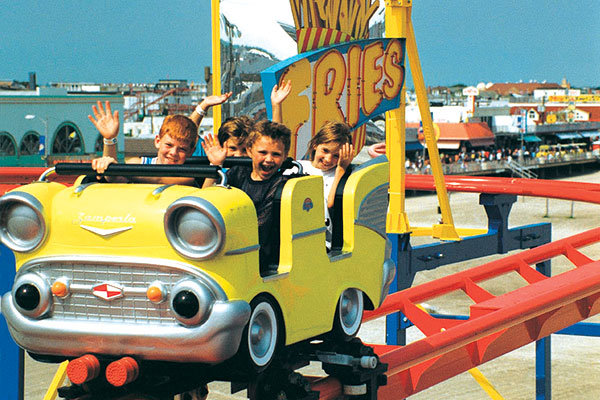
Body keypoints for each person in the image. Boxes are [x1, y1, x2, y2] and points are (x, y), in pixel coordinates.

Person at [203, 120, 291, 272]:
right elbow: (206, 202)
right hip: (229, 246)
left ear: (285, 156)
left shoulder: (280, 185)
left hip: (258, 256)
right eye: (263, 153)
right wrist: (215, 166)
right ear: (249, 151)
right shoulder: (237, 173)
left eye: (276, 154)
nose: (269, 159)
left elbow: (259, 228)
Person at [89, 93, 230, 184]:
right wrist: (109, 140)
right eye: (168, 145)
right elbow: (113, 178)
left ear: (191, 151)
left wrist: (123, 170)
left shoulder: (187, 176)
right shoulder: (137, 163)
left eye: (181, 149)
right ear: (157, 141)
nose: (173, 153)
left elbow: (159, 178)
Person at [299, 121, 355, 249]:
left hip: (322, 243)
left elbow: (331, 203)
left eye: (336, 155)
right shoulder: (298, 166)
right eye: (325, 150)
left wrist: (341, 169)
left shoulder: (341, 175)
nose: (328, 159)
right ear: (315, 145)